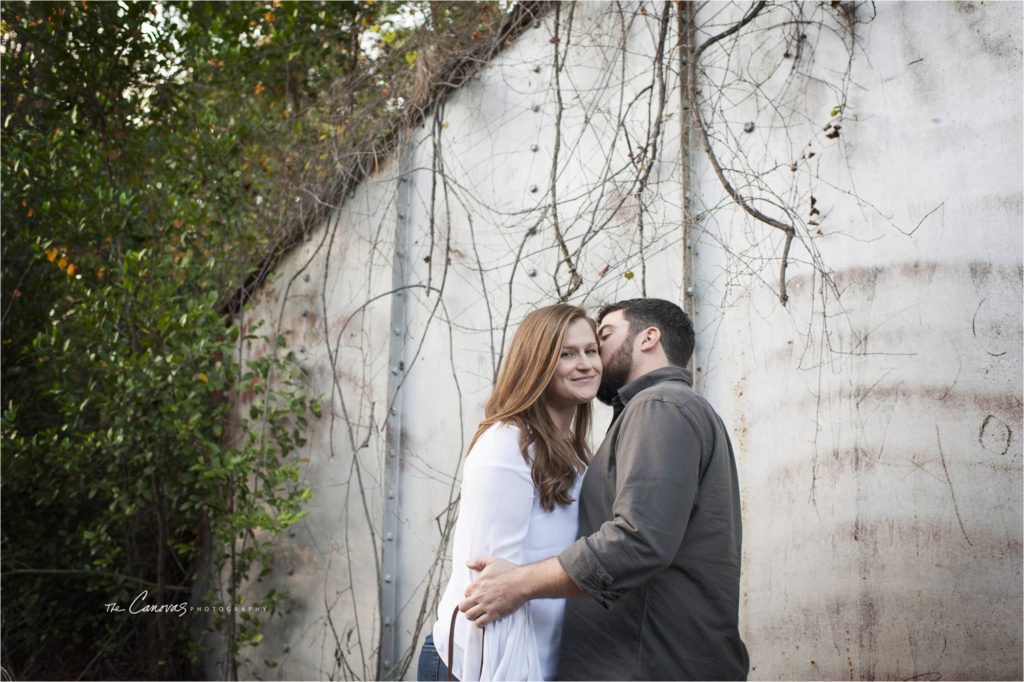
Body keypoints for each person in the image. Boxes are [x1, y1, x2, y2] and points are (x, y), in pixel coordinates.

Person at [459, 298, 749, 681]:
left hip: (648, 662)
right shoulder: (672, 409)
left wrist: (521, 583)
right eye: (570, 352)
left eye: (601, 341)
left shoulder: (658, 407)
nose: (594, 358)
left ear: (648, 338)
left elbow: (638, 539)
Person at [417, 304, 603, 681]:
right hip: (479, 666)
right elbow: (489, 592)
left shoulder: (578, 451)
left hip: (535, 661)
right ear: (537, 364)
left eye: (591, 350)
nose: (585, 364)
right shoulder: (509, 443)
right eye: (567, 354)